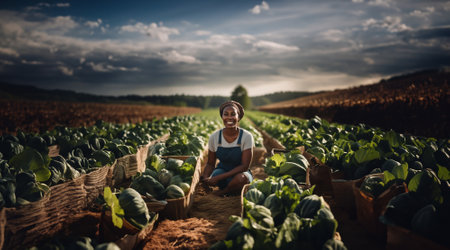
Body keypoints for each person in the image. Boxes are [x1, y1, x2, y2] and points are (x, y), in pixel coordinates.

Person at [201, 100, 254, 196]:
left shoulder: (246, 136)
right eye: (226, 114)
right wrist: (206, 178)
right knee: (215, 175)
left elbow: (245, 166)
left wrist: (219, 178)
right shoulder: (214, 137)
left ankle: (223, 192)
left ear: (238, 117)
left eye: (233, 114)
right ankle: (231, 189)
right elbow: (210, 163)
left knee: (241, 179)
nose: (229, 117)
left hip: (241, 172)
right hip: (222, 171)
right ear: (222, 117)